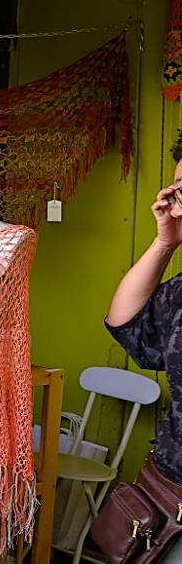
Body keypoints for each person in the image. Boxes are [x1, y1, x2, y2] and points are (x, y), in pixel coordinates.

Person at [108, 137, 182, 492]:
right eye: (179, 193)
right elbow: (127, 324)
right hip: (169, 486)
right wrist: (165, 243)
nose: (177, 210)